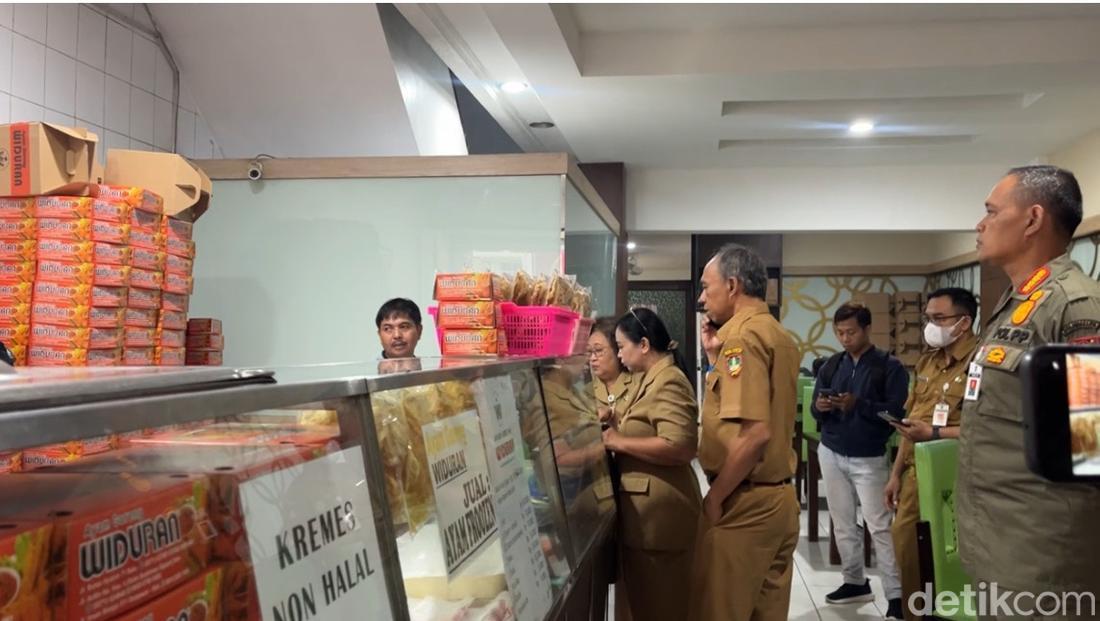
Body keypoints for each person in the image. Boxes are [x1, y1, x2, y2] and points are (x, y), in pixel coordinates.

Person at [958, 165, 1100, 620]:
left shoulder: (1074, 304)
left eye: (991, 211)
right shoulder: (1017, 303)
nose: (980, 224)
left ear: (1033, 219)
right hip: (997, 539)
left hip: (1045, 556)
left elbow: (1091, 446)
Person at [689, 244, 800, 621]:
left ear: (732, 285)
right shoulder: (777, 334)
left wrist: (716, 497)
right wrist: (713, 359)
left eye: (707, 287)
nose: (702, 298)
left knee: (719, 610)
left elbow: (755, 434)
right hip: (779, 498)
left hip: (745, 501)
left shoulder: (741, 339)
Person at [883, 288, 979, 621]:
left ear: (964, 322)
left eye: (939, 318)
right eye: (928, 318)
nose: (930, 326)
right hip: (916, 475)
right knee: (907, 550)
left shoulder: (981, 363)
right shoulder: (928, 361)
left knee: (952, 561)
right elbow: (913, 423)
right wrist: (895, 474)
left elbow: (984, 429)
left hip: (958, 480)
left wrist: (935, 434)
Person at [600, 307, 700, 621]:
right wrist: (615, 419)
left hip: (661, 523)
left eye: (621, 346)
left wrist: (618, 441)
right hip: (648, 520)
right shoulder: (649, 379)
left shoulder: (668, 380)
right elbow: (648, 424)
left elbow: (680, 445)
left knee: (662, 607)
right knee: (647, 605)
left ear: (643, 344)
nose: (619, 355)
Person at [811, 302, 907, 619]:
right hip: (831, 449)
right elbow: (814, 409)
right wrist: (820, 407)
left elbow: (895, 413)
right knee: (841, 522)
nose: (845, 338)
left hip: (869, 456)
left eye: (851, 332)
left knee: (879, 526)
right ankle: (854, 581)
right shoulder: (831, 365)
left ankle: (895, 594)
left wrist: (859, 404)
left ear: (867, 329)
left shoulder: (889, 367)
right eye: (839, 332)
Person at [588, 317, 640, 427]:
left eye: (598, 350)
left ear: (617, 349)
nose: (592, 358)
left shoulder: (639, 384)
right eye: (589, 352)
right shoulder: (586, 391)